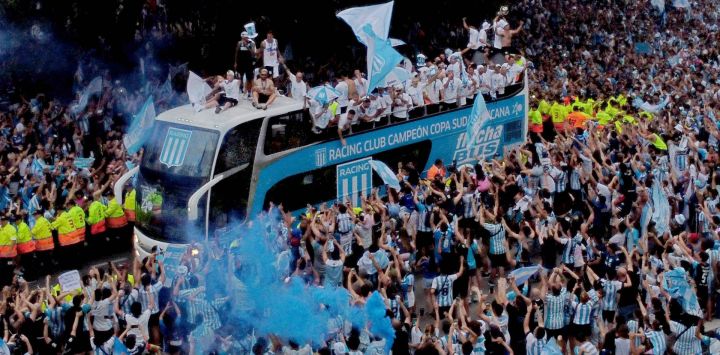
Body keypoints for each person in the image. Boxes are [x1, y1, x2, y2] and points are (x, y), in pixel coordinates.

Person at [234, 31, 257, 96]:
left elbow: (253, 53)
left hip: (249, 63)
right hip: (241, 62)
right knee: (240, 76)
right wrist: (235, 62)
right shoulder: (239, 43)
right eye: (243, 38)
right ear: (242, 37)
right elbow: (236, 53)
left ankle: (249, 92)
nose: (245, 39)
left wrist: (247, 46)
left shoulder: (251, 43)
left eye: (246, 37)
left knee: (249, 78)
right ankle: (240, 89)